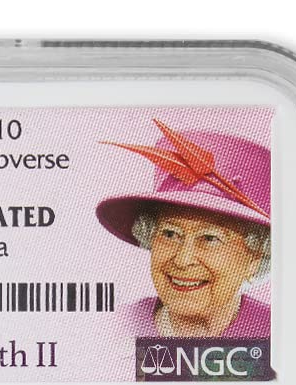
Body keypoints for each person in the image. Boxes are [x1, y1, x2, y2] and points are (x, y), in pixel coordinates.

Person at [96, 123, 271, 344]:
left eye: (210, 238)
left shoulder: (279, 333)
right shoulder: (117, 326)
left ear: (256, 258)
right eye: (170, 234)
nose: (183, 260)